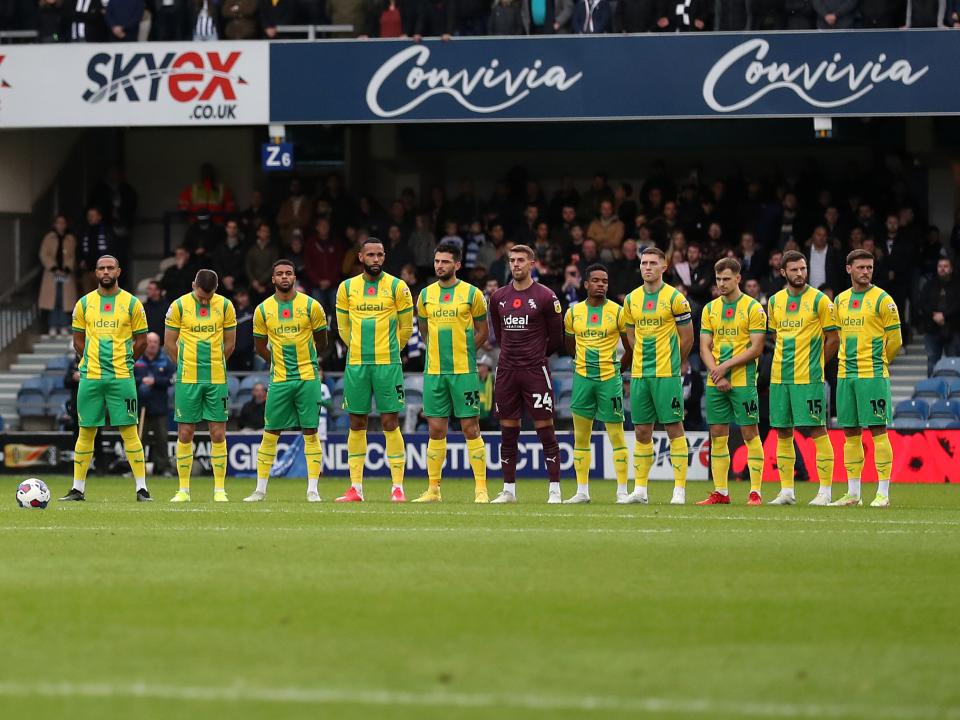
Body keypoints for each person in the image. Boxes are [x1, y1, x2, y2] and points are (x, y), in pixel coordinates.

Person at [60, 255, 151, 502]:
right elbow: (77, 339)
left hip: (121, 376)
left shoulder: (132, 304)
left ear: (119, 271)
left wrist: (126, 360)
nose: (106, 271)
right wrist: (89, 359)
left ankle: (142, 489)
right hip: (91, 377)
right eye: (101, 268)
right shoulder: (84, 304)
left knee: (129, 431)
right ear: (96, 272)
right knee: (85, 431)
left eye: (110, 267)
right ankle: (77, 489)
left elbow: (142, 341)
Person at [334, 238, 414, 503]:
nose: (376, 259)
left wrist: (390, 351)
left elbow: (405, 329)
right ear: (360, 257)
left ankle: (397, 488)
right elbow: (343, 328)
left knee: (391, 423)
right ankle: (355, 488)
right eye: (371, 255)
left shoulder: (398, 286)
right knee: (357, 424)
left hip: (387, 365)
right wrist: (357, 348)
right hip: (357, 364)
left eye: (380, 255)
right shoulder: (346, 288)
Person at [412, 243, 491, 504]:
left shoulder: (472, 293)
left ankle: (481, 489)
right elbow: (423, 329)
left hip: (463, 372)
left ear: (457, 265)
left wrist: (466, 354)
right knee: (436, 429)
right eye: (437, 261)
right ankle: (433, 490)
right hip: (435, 371)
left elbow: (483, 331)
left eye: (445, 261)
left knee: (471, 428)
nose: (439, 266)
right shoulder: (424, 295)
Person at [245, 260, 329, 502]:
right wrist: (277, 362)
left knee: (311, 433)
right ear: (272, 279)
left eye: (288, 273)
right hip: (280, 380)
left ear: (294, 277)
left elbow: (322, 341)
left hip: (307, 378)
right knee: (270, 433)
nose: (284, 277)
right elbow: (259, 346)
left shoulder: (311, 306)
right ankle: (260, 490)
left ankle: (313, 490)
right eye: (279, 274)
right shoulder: (262, 310)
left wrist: (309, 358)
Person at [488, 244, 565, 504]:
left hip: (535, 371)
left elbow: (556, 338)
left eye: (521, 260)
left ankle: (554, 489)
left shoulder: (546, 297)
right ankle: (509, 489)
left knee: (546, 430)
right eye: (512, 260)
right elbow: (499, 335)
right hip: (507, 371)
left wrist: (536, 355)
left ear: (532, 263)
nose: (516, 264)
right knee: (508, 432)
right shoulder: (498, 297)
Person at [620, 247, 694, 505]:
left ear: (664, 267)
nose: (647, 267)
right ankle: (640, 490)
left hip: (666, 374)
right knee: (641, 431)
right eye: (644, 263)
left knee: (674, 428)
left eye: (653, 263)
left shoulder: (675, 298)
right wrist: (639, 357)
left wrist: (676, 362)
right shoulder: (631, 299)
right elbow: (630, 335)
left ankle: (679, 490)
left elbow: (688, 338)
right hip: (640, 374)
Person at [766, 250, 839, 506]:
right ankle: (787, 491)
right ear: (783, 272)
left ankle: (825, 491)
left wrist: (817, 363)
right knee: (783, 432)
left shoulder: (820, 301)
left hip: (808, 378)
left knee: (818, 429)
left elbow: (834, 338)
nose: (800, 273)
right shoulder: (774, 301)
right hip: (779, 378)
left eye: (803, 268)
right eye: (794, 270)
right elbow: (775, 336)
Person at [830, 249, 902, 508]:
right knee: (850, 432)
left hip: (872, 375)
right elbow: (837, 336)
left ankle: (883, 493)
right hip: (845, 374)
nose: (866, 272)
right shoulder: (839, 301)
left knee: (878, 431)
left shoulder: (883, 300)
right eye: (860, 267)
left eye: (869, 267)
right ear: (848, 269)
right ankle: (853, 494)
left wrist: (881, 362)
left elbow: (895, 340)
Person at [696, 258, 767, 506]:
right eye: (718, 279)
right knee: (717, 434)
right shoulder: (709, 309)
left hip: (743, 380)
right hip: (716, 380)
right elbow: (704, 346)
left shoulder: (753, 308)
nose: (721, 284)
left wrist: (724, 367)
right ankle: (721, 492)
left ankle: (755, 492)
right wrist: (716, 372)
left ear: (738, 279)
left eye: (726, 279)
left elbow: (757, 348)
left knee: (750, 433)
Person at [163, 269, 237, 503]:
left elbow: (230, 343)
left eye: (209, 296)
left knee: (218, 433)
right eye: (201, 295)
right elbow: (169, 342)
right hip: (188, 379)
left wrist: (215, 364)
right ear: (193, 284)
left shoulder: (226, 306)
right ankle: (183, 490)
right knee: (185, 433)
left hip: (216, 379)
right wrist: (185, 365)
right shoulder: (178, 306)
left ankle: (219, 490)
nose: (205, 300)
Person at [562, 263, 631, 504]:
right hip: (582, 380)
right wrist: (580, 363)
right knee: (581, 438)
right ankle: (582, 491)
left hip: (608, 381)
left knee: (617, 437)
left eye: (605, 281)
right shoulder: (572, 313)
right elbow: (569, 344)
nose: (601, 284)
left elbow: (629, 346)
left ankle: (622, 491)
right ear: (586, 284)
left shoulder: (618, 311)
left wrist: (617, 369)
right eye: (597, 280)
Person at [134, 332, 174, 477]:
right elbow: (129, 378)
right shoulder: (137, 360)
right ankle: (136, 469)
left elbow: (172, 380)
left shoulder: (165, 361)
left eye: (155, 342)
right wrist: (141, 382)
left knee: (162, 440)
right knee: (138, 440)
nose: (151, 344)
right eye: (149, 341)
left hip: (160, 407)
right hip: (141, 407)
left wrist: (155, 381)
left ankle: (163, 468)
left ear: (159, 344)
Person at [919, 257, 960, 376]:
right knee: (932, 361)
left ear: (951, 269)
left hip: (953, 328)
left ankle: (955, 391)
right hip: (932, 329)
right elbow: (922, 303)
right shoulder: (929, 284)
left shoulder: (957, 284)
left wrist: (944, 316)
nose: (942, 269)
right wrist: (934, 315)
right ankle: (931, 390)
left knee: (954, 361)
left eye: (945, 266)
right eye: (940, 266)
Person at [38, 215, 78, 336]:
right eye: (58, 223)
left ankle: (64, 325)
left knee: (64, 300)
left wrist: (66, 267)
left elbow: (74, 255)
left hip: (66, 274)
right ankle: (53, 325)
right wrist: (54, 267)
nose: (61, 225)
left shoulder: (71, 239)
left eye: (63, 223)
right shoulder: (49, 238)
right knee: (53, 300)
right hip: (52, 275)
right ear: (54, 224)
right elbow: (44, 254)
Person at [229, 287, 256, 371]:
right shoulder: (230, 312)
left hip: (248, 351)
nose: (244, 298)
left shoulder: (253, 311)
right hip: (233, 352)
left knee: (247, 376)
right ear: (235, 297)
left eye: (245, 296)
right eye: (241, 296)